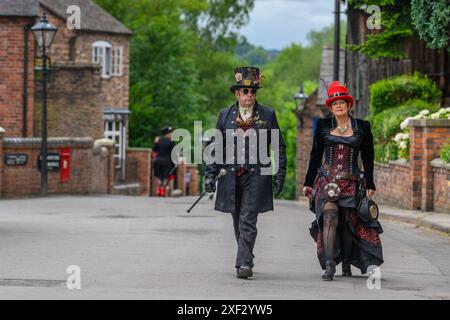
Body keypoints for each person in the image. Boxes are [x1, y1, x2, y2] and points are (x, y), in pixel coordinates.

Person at [205, 66, 287, 279]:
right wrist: (209, 175)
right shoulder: (225, 115)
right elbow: (215, 147)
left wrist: (279, 175)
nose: (249, 95)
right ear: (237, 93)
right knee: (236, 220)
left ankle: (243, 264)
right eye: (244, 91)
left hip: (257, 177)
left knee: (248, 219)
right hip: (231, 177)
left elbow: (279, 146)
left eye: (252, 92)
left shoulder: (267, 115)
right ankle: (247, 256)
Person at [303, 81, 383, 281]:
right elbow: (315, 155)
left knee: (348, 224)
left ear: (349, 105)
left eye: (342, 102)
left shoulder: (362, 127)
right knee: (330, 217)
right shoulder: (323, 126)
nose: (338, 106)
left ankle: (346, 261)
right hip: (327, 181)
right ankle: (329, 265)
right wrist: (308, 182)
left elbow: (368, 157)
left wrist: (370, 184)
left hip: (352, 182)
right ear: (330, 107)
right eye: (334, 103)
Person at [153, 126, 176, 197]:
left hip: (157, 160)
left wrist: (155, 142)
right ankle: (163, 190)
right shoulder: (171, 142)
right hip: (167, 162)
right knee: (166, 177)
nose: (171, 134)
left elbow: (154, 149)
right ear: (167, 134)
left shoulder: (158, 140)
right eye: (170, 133)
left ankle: (158, 189)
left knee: (159, 176)